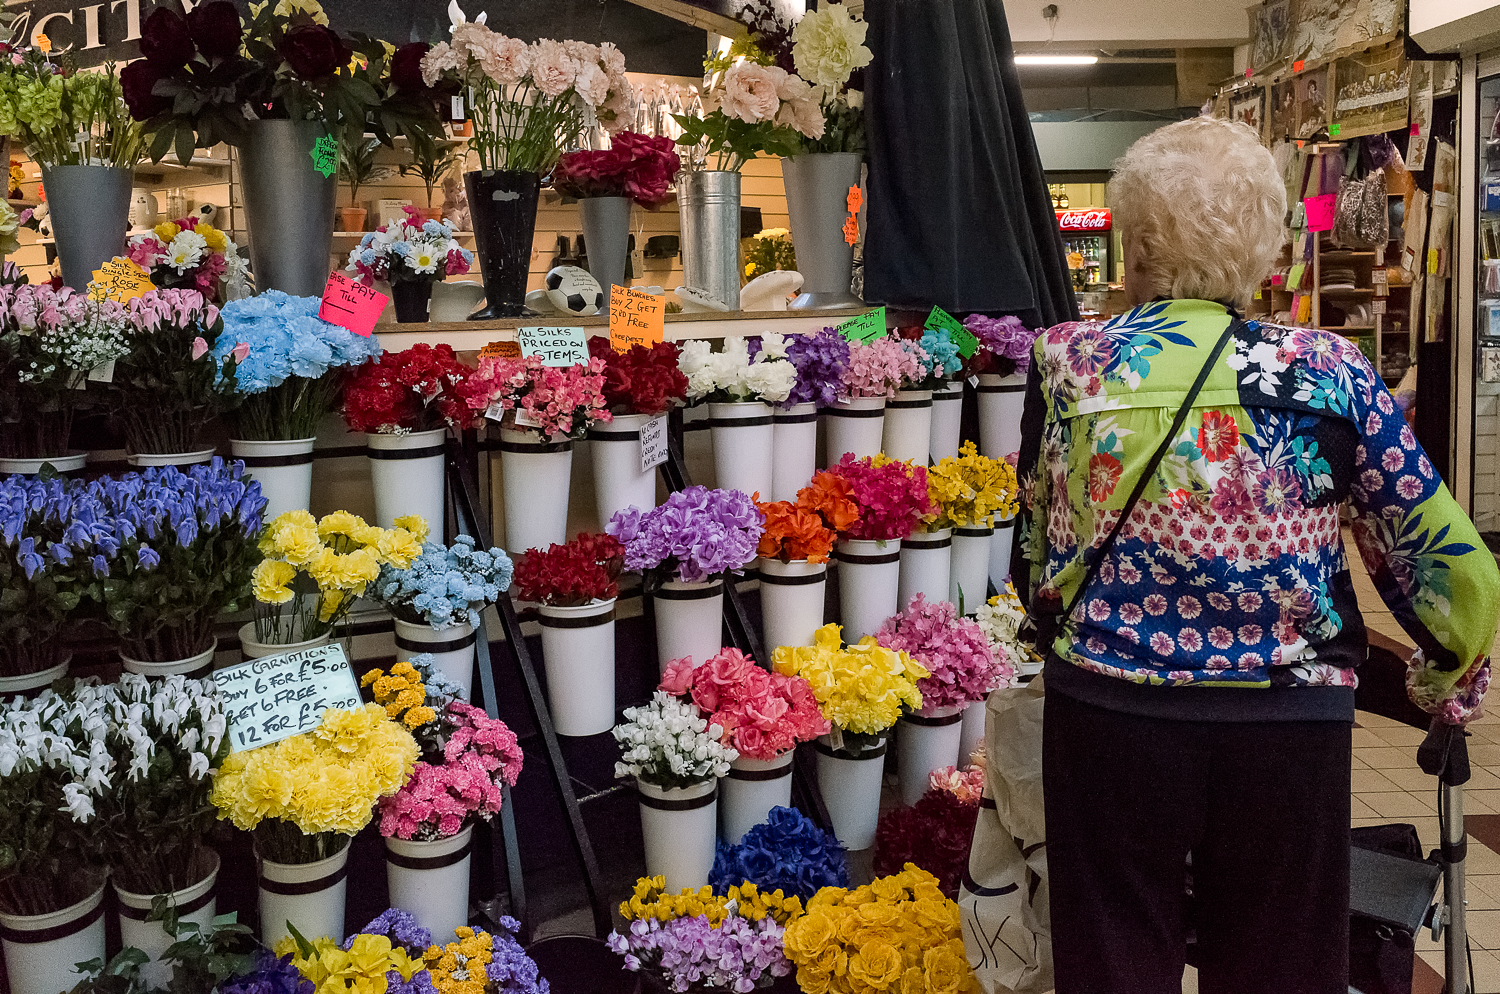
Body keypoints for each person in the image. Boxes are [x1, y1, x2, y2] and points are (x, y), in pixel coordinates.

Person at [1011, 117, 1500, 993]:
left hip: (1109, 718)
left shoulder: (1068, 362)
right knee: (1278, 961)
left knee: (1113, 955)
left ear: (1134, 242)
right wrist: (1445, 669)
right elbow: (1442, 554)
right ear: (1268, 245)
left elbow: (1036, 544)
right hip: (1284, 728)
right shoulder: (1330, 371)